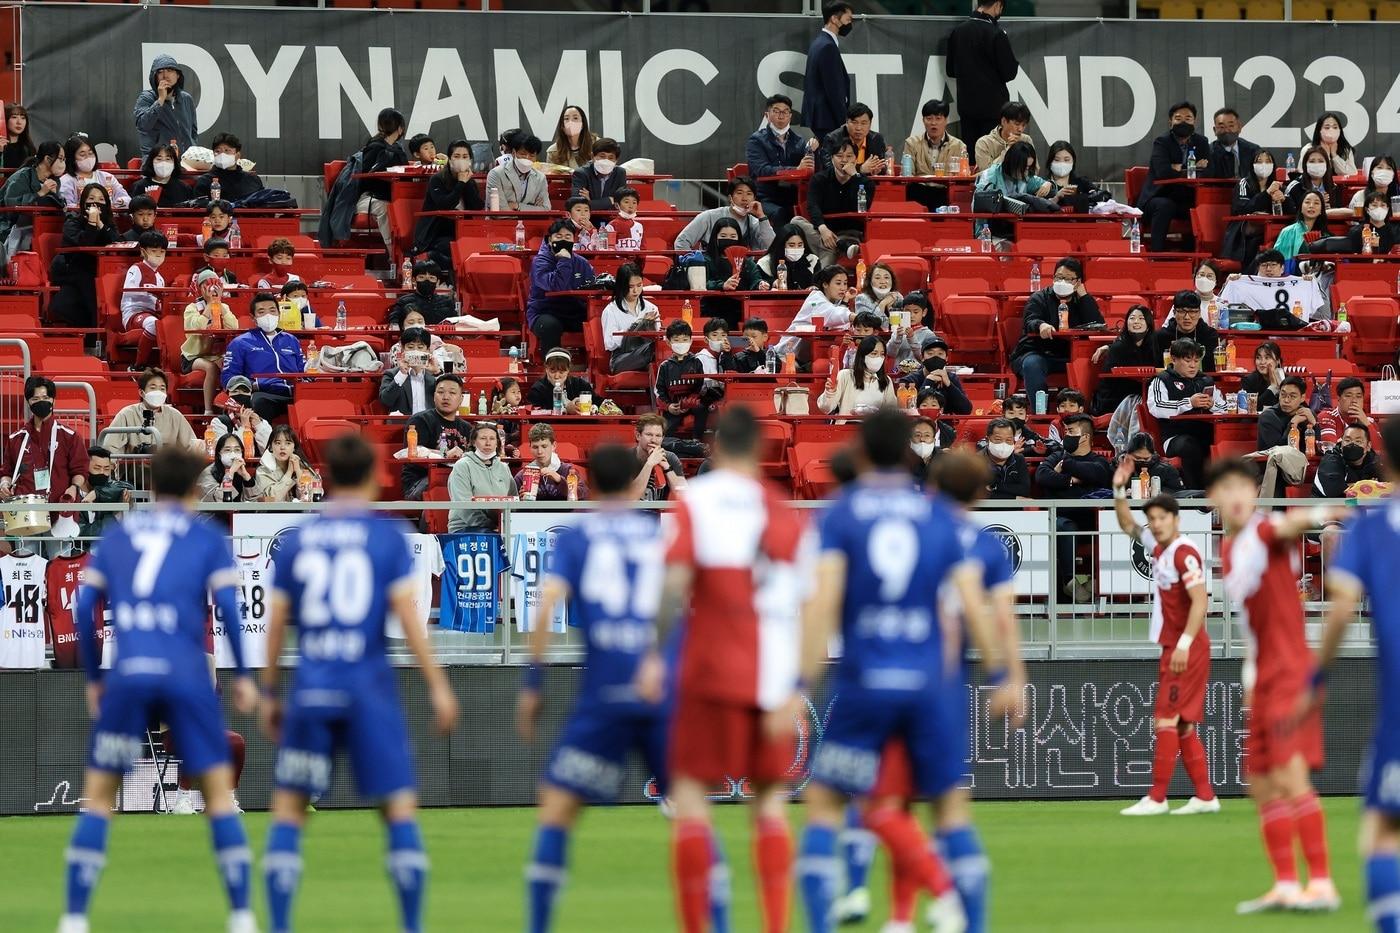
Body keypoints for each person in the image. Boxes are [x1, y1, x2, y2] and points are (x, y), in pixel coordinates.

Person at [798, 412, 1019, 933]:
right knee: (949, 811)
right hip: (928, 687)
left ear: (860, 448)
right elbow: (972, 603)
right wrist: (1000, 675)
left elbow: (822, 602)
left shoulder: (841, 513)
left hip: (865, 683)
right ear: (907, 449)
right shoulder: (939, 520)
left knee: (827, 803)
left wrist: (797, 685)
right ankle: (966, 917)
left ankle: (834, 916)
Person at [517, 442, 723, 933]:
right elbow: (686, 602)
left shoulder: (578, 537)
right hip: (661, 690)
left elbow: (547, 606)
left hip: (604, 693)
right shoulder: (658, 536)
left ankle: (539, 925)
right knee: (692, 813)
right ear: (635, 481)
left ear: (589, 486)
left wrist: (533, 682)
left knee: (557, 808)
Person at [258, 432, 458, 933]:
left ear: (325, 479)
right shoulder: (385, 538)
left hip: (313, 689)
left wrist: (266, 692)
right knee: (398, 811)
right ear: (372, 478)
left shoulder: (298, 540)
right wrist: (438, 685)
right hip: (368, 690)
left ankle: (279, 925)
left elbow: (276, 625)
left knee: (287, 811)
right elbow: (410, 624)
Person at [58, 447, 256, 933]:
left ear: (150, 484)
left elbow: (85, 611)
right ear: (194, 488)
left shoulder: (119, 534)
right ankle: (241, 914)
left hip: (129, 673)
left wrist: (93, 680)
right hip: (186, 671)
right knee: (217, 796)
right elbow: (229, 612)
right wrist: (247, 678)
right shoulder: (205, 536)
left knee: (100, 798)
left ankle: (75, 916)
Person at [632, 407, 809, 933]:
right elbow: (800, 601)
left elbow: (673, 584)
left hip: (708, 669)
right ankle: (776, 925)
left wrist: (654, 656)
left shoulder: (698, 501)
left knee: (689, 800)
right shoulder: (777, 509)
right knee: (772, 805)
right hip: (769, 677)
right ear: (758, 450)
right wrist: (795, 684)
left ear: (713, 447)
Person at [1206, 459, 1340, 913]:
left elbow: (1291, 525)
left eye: (1244, 486)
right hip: (1261, 674)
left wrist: (1321, 515)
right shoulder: (1228, 551)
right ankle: (1285, 884)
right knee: (1260, 784)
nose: (1238, 494)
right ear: (1213, 500)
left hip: (1288, 671)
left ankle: (1321, 883)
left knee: (1290, 776)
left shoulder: (1265, 531)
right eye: (1227, 488)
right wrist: (1248, 678)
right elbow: (1251, 626)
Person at [1313, 419, 1400, 929]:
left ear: (1384, 461)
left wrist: (1314, 681)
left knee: (1383, 831)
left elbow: (1341, 611)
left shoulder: (1371, 528)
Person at [1110, 464, 1219, 817]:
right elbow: (1128, 525)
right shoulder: (1159, 547)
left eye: (1162, 518)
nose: (1155, 524)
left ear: (1176, 520)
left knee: (1166, 719)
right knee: (1183, 723)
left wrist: (1184, 644)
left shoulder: (1184, 553)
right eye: (1152, 518)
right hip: (1176, 645)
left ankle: (1157, 798)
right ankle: (1204, 796)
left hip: (1185, 647)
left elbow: (1201, 600)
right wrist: (1118, 490)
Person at [1036, 413, 1114, 600]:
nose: (1066, 436)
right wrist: (1072, 480)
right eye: (1066, 431)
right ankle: (1070, 583)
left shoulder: (1098, 460)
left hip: (1090, 520)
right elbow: (1042, 476)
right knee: (1064, 526)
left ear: (1085, 437)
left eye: (1071, 431)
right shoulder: (1055, 456)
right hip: (1059, 519)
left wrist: (1066, 465)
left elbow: (1097, 474)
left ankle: (1101, 586)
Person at [1009, 257, 1103, 403]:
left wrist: (1084, 296)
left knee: (1097, 360)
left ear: (1078, 282)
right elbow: (1030, 320)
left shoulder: (1082, 300)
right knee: (1032, 364)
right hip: (1037, 352)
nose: (1062, 282)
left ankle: (1085, 410)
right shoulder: (1039, 297)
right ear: (1053, 278)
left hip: (1070, 354)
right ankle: (1040, 413)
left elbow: (1098, 324)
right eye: (1059, 277)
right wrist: (1041, 325)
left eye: (1068, 279)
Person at [0, 375, 90, 505]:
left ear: (53, 400)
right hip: (26, 512)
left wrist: (74, 488)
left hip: (61, 509)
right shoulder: (16, 438)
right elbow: (7, 472)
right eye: (35, 399)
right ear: (28, 402)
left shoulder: (70, 436)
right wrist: (4, 484)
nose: (41, 402)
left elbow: (80, 470)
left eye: (45, 398)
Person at [1149, 338, 1225, 491]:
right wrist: (1189, 403)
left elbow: (1224, 407)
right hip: (1175, 437)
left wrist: (1212, 405)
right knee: (1189, 446)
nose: (1193, 365)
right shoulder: (1161, 380)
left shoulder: (1206, 380)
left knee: (1222, 442)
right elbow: (1156, 407)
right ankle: (1196, 494)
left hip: (1203, 432)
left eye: (1196, 361)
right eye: (1188, 360)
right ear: (1174, 359)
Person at [1137, 102, 1212, 252]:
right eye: (1178, 118)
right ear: (1170, 122)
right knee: (1165, 205)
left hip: (1185, 197)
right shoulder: (1162, 142)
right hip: (1158, 196)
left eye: (1188, 118)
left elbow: (1208, 171)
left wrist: (1178, 168)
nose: (1183, 122)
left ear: (1194, 122)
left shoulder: (1201, 142)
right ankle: (1156, 255)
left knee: (1200, 207)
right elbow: (1162, 172)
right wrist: (1191, 168)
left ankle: (1192, 255)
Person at [221, 292, 306, 420]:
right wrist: (253, 385)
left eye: (272, 311)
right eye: (261, 312)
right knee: (259, 401)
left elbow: (304, 369)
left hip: (295, 393)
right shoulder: (240, 343)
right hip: (264, 394)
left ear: (279, 313)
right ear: (253, 318)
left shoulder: (291, 340)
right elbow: (229, 377)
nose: (268, 315)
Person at [947, 0, 1019, 149]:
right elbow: (1010, 73)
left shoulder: (958, 31)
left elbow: (950, 70)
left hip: (967, 108)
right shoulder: (996, 33)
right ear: (998, 4)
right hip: (993, 110)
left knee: (971, 160)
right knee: (993, 158)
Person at [49, 182, 120, 328]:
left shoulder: (108, 224)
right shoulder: (73, 222)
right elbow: (85, 242)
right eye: (91, 199)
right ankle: (96, 333)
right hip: (74, 268)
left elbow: (116, 242)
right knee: (91, 286)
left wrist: (100, 225)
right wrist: (92, 224)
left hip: (100, 269)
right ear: (83, 202)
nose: (96, 203)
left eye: (101, 200)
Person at [410, 138, 484, 274]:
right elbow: (445, 205)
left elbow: (476, 207)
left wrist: (466, 184)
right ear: (449, 159)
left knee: (476, 248)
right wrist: (460, 184)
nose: (461, 160)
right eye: (456, 156)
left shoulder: (469, 181)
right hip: (436, 233)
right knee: (455, 249)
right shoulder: (437, 179)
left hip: (462, 232)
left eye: (465, 157)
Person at [527, 219, 595, 354]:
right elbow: (557, 286)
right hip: (544, 312)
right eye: (559, 237)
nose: (563, 241)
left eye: (568, 237)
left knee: (598, 322)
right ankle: (552, 370)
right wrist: (564, 260)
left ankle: (597, 367)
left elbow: (592, 286)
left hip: (574, 311)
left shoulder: (582, 263)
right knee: (551, 326)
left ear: (574, 240)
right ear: (550, 239)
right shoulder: (540, 262)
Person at [747, 94, 815, 227]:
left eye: (785, 112)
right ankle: (782, 247)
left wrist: (812, 152)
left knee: (814, 208)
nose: (781, 115)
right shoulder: (756, 140)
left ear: (790, 116)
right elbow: (761, 170)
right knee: (781, 213)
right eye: (776, 111)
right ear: (767, 115)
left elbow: (806, 170)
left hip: (791, 195)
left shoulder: (799, 142)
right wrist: (795, 170)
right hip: (765, 196)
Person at [401, 373, 469, 500]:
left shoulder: (467, 428)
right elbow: (413, 451)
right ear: (433, 396)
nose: (446, 397)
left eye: (452, 393)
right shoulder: (420, 421)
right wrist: (444, 455)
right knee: (443, 487)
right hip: (420, 482)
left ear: (461, 398)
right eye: (441, 392)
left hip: (456, 478)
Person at [104, 368, 202, 455]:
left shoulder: (175, 415)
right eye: (153, 388)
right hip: (135, 471)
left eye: (162, 388)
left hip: (166, 471)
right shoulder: (126, 414)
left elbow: (191, 445)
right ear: (141, 393)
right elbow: (110, 446)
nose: (158, 392)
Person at [807, 139, 871, 266]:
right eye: (839, 156)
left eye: (849, 156)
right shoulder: (819, 179)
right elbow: (813, 205)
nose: (844, 160)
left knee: (828, 256)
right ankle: (841, 246)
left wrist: (854, 177)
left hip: (850, 234)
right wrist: (823, 228)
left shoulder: (865, 183)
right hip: (823, 232)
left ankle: (838, 244)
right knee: (796, 221)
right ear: (831, 158)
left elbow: (861, 208)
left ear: (856, 158)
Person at [355, 107, 409, 253]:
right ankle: (394, 253)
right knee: (385, 208)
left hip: (393, 197)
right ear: (400, 128)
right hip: (367, 198)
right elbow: (364, 178)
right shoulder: (374, 148)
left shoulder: (398, 150)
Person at [447, 422, 517, 531]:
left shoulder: (504, 468)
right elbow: (464, 507)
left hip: (500, 527)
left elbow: (513, 502)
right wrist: (491, 526)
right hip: (466, 527)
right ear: (474, 442)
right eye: (483, 438)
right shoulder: (462, 466)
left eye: (492, 439)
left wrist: (507, 525)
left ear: (497, 443)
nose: (488, 443)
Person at [774, 264, 854, 358]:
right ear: (825, 284)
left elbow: (841, 323)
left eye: (845, 283)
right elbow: (833, 315)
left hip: (807, 358)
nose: (843, 288)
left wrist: (845, 300)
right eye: (838, 283)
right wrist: (854, 316)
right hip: (784, 355)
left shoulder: (838, 302)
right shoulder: (815, 299)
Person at [674, 177, 774, 251]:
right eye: (739, 193)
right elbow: (681, 242)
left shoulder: (754, 222)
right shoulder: (708, 216)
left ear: (754, 198)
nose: (744, 198)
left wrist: (761, 216)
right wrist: (696, 264)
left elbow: (771, 247)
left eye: (749, 194)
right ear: (730, 198)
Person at [0, 140, 65, 255]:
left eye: (64, 159)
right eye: (60, 158)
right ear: (47, 159)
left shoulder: (55, 181)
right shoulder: (22, 176)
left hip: (37, 225)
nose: (63, 163)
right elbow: (11, 205)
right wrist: (40, 193)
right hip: (8, 224)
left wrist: (56, 196)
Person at [1093, 304, 1159, 415]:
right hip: (1116, 398)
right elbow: (1115, 382)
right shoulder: (1118, 347)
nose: (1136, 321)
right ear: (1127, 324)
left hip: (1141, 395)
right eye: (1132, 318)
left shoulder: (1154, 345)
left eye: (1141, 318)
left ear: (1148, 325)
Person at [902, 99, 968, 210]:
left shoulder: (959, 146)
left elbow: (962, 176)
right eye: (929, 118)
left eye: (938, 118)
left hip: (944, 191)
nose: (933, 123)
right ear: (923, 120)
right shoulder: (911, 143)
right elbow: (908, 175)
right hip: (919, 190)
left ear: (946, 120)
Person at [803, 2, 854, 144]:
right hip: (828, 118)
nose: (850, 23)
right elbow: (834, 88)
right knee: (831, 162)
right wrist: (843, 121)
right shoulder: (827, 46)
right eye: (848, 19)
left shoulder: (819, 43)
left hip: (822, 117)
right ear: (834, 19)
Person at [1224, 151, 1287, 264]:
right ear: (1252, 165)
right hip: (1244, 231)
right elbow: (1242, 208)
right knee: (1257, 244)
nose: (1263, 165)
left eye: (1268, 161)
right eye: (1259, 161)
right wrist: (1267, 193)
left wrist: (1284, 200)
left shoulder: (1277, 185)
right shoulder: (1244, 183)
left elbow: (1290, 211)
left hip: (1270, 230)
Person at [118, 230, 168, 371]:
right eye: (153, 250)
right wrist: (151, 290)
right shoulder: (136, 269)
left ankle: (167, 366)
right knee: (153, 324)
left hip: (153, 313)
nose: (158, 254)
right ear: (143, 252)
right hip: (134, 313)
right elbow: (129, 289)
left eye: (162, 251)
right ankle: (137, 366)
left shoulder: (160, 277)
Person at [655, 320, 712, 439]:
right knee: (666, 432)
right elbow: (659, 391)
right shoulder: (665, 366)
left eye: (685, 340)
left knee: (702, 409)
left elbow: (700, 386)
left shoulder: (697, 362)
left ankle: (697, 441)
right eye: (676, 340)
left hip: (692, 404)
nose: (681, 343)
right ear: (668, 342)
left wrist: (689, 402)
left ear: (690, 341)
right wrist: (669, 406)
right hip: (673, 406)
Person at [134, 53, 199, 157]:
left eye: (170, 70)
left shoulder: (186, 99)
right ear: (155, 77)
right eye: (160, 72)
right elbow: (143, 125)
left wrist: (191, 152)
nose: (165, 75)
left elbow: (193, 132)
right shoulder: (146, 98)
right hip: (156, 162)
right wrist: (160, 100)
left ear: (178, 75)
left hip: (184, 164)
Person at [818, 334, 895, 418]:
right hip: (847, 428)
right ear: (862, 356)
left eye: (882, 354)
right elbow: (825, 409)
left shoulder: (886, 380)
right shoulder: (845, 375)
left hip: (875, 429)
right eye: (874, 353)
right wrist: (830, 393)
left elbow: (892, 411)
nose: (879, 358)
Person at [514, 424, 589, 503]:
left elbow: (584, 494)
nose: (540, 452)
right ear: (530, 448)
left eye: (544, 446)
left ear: (554, 446)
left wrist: (560, 480)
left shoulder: (568, 471)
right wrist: (520, 501)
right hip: (534, 515)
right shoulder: (522, 476)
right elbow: (512, 507)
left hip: (565, 515)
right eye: (535, 447)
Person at [379, 326, 439, 416]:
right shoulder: (392, 374)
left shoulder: (434, 376)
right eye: (410, 347)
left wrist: (437, 373)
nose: (415, 351)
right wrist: (402, 374)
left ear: (428, 350)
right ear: (403, 349)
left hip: (430, 426)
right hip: (402, 426)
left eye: (420, 347)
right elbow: (386, 401)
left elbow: (448, 399)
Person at [1158, 291, 1220, 373]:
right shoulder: (1161, 336)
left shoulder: (1209, 336)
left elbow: (1211, 370)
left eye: (1192, 312)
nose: (1187, 317)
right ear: (1174, 313)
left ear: (1199, 313)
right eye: (1182, 311)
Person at [1313, 422, 1380, 497]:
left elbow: (1387, 488)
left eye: (1358, 441)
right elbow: (1334, 491)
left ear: (1368, 446)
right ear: (1341, 443)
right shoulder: (1331, 460)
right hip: (1326, 505)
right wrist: (1368, 486)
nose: (1352, 444)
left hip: (1362, 506)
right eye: (1347, 440)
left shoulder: (1375, 462)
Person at [629, 413, 687, 500]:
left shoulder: (670, 457)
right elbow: (631, 497)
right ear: (638, 435)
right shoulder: (625, 458)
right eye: (649, 435)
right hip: (630, 512)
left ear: (663, 438)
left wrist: (667, 467)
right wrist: (649, 464)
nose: (654, 440)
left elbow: (683, 495)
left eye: (658, 436)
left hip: (660, 512)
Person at [486, 133, 550, 211]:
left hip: (529, 223)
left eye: (532, 155)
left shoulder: (540, 178)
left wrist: (517, 206)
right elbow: (499, 211)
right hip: (502, 223)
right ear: (513, 153)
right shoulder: (496, 174)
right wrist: (533, 209)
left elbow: (546, 209)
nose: (527, 158)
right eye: (523, 154)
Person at [255, 424, 318, 503]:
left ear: (294, 447)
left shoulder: (303, 466)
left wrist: (298, 471)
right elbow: (270, 500)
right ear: (270, 447)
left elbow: (314, 496)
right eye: (278, 443)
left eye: (288, 443)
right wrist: (289, 473)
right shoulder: (263, 470)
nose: (282, 447)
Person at [822, 103, 889, 176]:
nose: (858, 128)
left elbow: (883, 167)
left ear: (870, 124)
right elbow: (829, 170)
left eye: (863, 123)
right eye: (854, 122)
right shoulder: (833, 139)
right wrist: (860, 169)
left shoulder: (877, 139)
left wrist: (877, 169)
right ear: (846, 122)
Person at [1257, 375, 1318, 455]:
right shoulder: (1268, 417)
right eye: (1283, 395)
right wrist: (1293, 424)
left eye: (1292, 396)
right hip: (1273, 464)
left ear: (1302, 398)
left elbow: (1318, 449)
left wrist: (1314, 424)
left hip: (1306, 464)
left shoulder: (1307, 414)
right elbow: (1280, 452)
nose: (1286, 400)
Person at [1285, 149, 1350, 223]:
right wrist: (1317, 203)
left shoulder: (1334, 187)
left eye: (1321, 161)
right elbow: (1291, 214)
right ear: (1305, 165)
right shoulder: (1294, 187)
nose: (1316, 164)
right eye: (1312, 161)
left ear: (1327, 165)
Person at [194, 133, 263, 203]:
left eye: (227, 151)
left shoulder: (253, 180)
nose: (222, 155)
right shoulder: (205, 181)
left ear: (237, 155)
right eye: (217, 151)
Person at [389, 259, 456, 328]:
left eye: (431, 278)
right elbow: (394, 324)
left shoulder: (447, 302)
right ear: (414, 280)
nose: (427, 281)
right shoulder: (403, 302)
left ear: (438, 282)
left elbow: (456, 324)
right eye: (422, 277)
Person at [529, 347, 597, 413]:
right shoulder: (537, 390)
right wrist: (567, 410)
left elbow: (598, 402)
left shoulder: (581, 384)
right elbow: (535, 415)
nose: (557, 376)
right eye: (552, 371)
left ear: (568, 370)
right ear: (546, 369)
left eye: (562, 372)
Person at [1044, 140, 1106, 213]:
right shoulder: (1042, 184)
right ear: (1050, 161)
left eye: (1066, 160)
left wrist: (1085, 196)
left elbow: (1104, 196)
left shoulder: (1082, 182)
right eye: (1057, 160)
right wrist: (1056, 198)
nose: (1062, 163)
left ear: (1073, 161)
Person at [1319, 377, 1379, 450]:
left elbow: (1381, 450)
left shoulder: (1369, 422)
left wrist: (1366, 424)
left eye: (1358, 396)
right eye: (1348, 396)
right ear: (1338, 398)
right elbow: (1330, 449)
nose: (1354, 401)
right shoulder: (1327, 416)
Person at [973, 101, 1035, 171]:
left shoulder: (1026, 139)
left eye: (1024, 125)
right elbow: (987, 173)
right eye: (1017, 124)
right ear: (1004, 121)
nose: (1020, 129)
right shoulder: (984, 143)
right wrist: (1008, 149)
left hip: (1021, 181)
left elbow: (1034, 170)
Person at [571, 138, 627, 212]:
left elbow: (621, 203)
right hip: (588, 219)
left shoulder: (620, 173)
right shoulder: (581, 173)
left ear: (616, 160)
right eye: (602, 156)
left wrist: (590, 202)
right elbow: (577, 204)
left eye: (611, 158)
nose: (606, 161)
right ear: (592, 156)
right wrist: (610, 200)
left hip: (611, 218)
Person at [198, 433, 256, 502]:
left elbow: (256, 502)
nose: (233, 454)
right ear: (219, 454)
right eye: (227, 450)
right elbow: (220, 502)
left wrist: (247, 478)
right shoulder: (208, 473)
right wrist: (230, 473)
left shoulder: (240, 472)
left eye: (237, 450)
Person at [1299, 111, 1358, 178]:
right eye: (1327, 127)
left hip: (1341, 187)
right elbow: (1302, 174)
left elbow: (1352, 173)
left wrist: (1334, 156)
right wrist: (1326, 155)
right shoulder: (1308, 149)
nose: (1331, 130)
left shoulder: (1345, 149)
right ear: (1319, 131)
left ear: (1340, 130)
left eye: (1335, 127)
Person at [983, 417, 1031, 498]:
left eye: (1008, 440)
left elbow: (1024, 490)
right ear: (987, 440)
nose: (1003, 444)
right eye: (998, 439)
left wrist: (995, 486)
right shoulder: (976, 461)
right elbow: (981, 494)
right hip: (984, 510)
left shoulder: (1019, 459)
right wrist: (1014, 498)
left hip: (1014, 510)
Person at [1208, 107, 1260, 180]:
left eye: (1231, 126)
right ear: (1214, 130)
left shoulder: (1253, 150)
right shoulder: (1208, 152)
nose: (1226, 130)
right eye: (1221, 126)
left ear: (1239, 128)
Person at [545, 104, 596, 168]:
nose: (571, 122)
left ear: (583, 124)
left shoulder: (597, 144)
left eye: (575, 118)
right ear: (562, 126)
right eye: (566, 119)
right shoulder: (553, 152)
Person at [1240, 340, 1284, 412]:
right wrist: (1272, 387)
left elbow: (1299, 405)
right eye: (1258, 358)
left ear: (1278, 361)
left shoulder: (1287, 380)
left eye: (1267, 358)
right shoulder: (1249, 380)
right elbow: (1253, 407)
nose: (1262, 362)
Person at [601, 186, 644, 251]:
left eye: (634, 203)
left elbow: (643, 249)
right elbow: (606, 250)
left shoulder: (639, 226)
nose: (631, 206)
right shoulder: (612, 226)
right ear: (616, 205)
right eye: (626, 202)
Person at [1, 102, 35, 170]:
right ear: (5, 119)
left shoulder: (28, 147)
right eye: (14, 117)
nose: (19, 122)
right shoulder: (1, 145)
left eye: (23, 118)